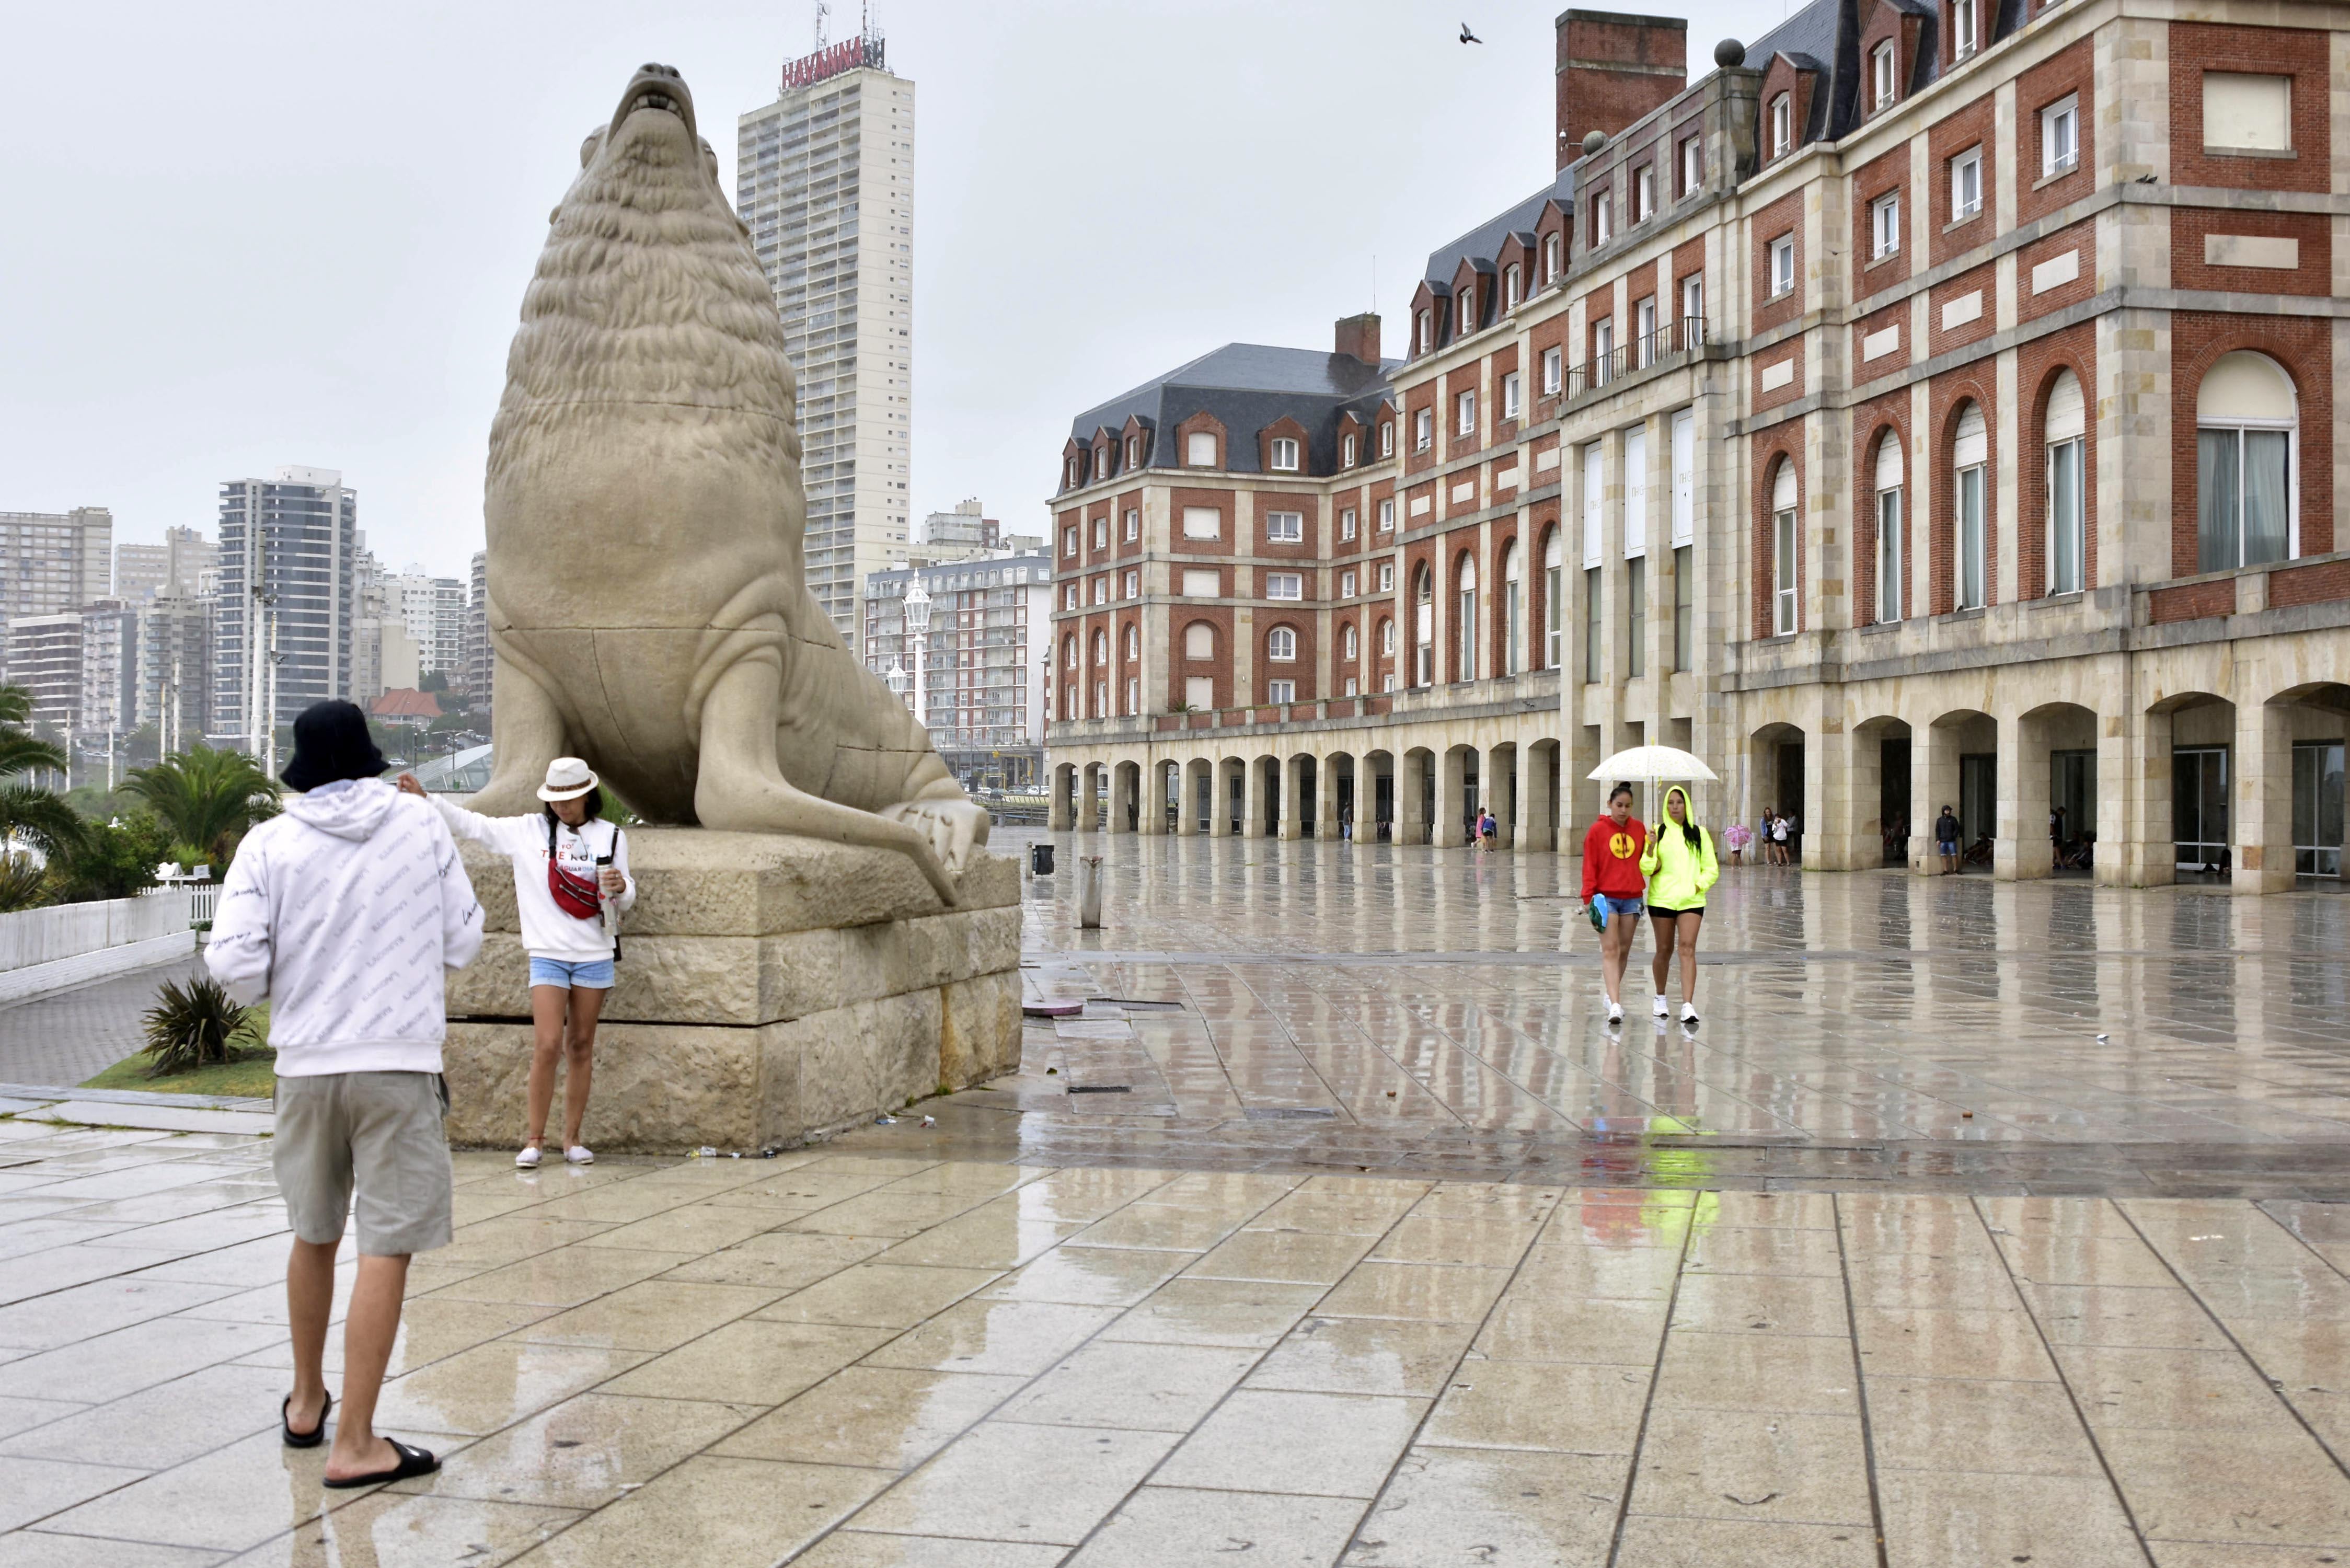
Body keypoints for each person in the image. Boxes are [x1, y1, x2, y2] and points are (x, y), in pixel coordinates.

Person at [208, 700, 483, 1489]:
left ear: (302, 767)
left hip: (305, 1066)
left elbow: (232, 964)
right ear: (368, 757)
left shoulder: (269, 843)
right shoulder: (418, 824)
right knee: (386, 1246)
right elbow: (465, 936)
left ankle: (305, 1403)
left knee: (314, 1232)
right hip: (396, 1062)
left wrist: (286, 984)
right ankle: (358, 1441)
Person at [400, 758, 635, 1169]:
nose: (562, 807)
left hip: (595, 954)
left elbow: (625, 894)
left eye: (570, 798)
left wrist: (622, 887)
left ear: (586, 794)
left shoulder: (611, 836)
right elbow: (473, 825)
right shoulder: (528, 830)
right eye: (555, 799)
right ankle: (534, 1139)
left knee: (580, 1046)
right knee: (546, 1045)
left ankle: (573, 1139)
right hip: (547, 954)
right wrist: (427, 800)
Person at [1641, 785, 1719, 1024]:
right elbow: (1646, 867)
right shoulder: (1658, 832)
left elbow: (1711, 869)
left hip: (1691, 901)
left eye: (1679, 802)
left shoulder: (1699, 833)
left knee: (1687, 948)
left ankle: (1688, 1004)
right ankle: (1660, 997)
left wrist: (1697, 886)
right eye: (1671, 803)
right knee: (1664, 950)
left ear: (1687, 805)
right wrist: (1652, 846)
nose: (1675, 807)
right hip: (1662, 900)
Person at [1580, 783, 1649, 1026]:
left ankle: (1612, 994)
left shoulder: (1639, 829)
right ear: (1610, 805)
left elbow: (1648, 863)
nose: (1623, 811)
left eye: (1628, 806)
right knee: (1610, 949)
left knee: (1624, 950)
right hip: (1605, 898)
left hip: (1632, 898)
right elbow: (1590, 866)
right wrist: (1588, 899)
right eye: (1619, 805)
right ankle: (1616, 1004)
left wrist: (1652, 846)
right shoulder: (1597, 831)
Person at [1934, 804, 1962, 874]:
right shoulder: (1940, 820)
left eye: (1949, 810)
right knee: (1943, 855)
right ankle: (1945, 870)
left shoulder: (1953, 819)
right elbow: (1937, 830)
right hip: (1943, 840)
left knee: (1954, 855)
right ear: (1943, 811)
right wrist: (1938, 839)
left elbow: (1957, 829)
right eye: (1947, 810)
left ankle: (1956, 869)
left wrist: (1954, 836)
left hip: (1951, 840)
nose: (1948, 812)